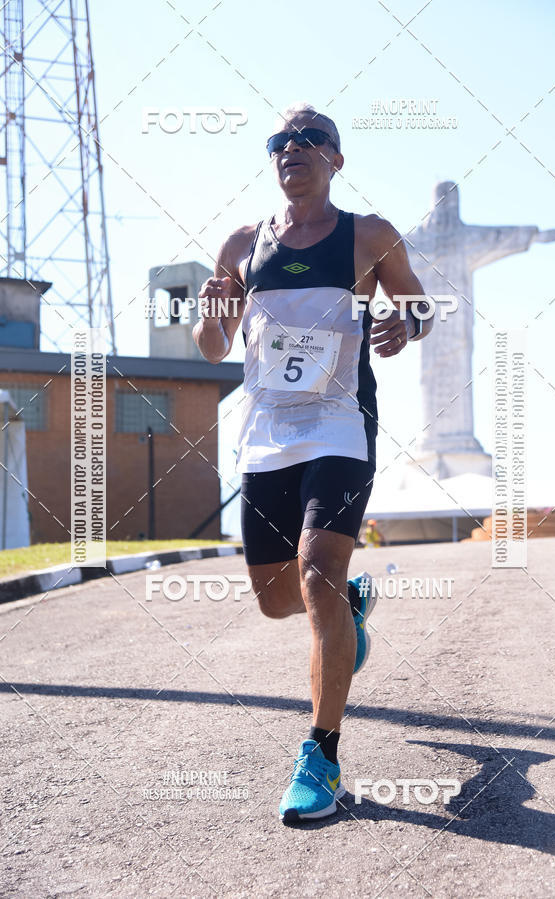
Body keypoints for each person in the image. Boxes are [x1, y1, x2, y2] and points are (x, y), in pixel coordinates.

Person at [193, 103, 431, 823]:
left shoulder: (371, 235)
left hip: (339, 425)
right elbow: (212, 346)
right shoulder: (240, 243)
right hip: (266, 433)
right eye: (280, 141)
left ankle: (320, 754)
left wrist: (407, 320)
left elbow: (419, 306)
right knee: (275, 598)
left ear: (336, 159)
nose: (292, 149)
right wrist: (210, 313)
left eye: (310, 139)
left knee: (316, 572)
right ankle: (349, 606)